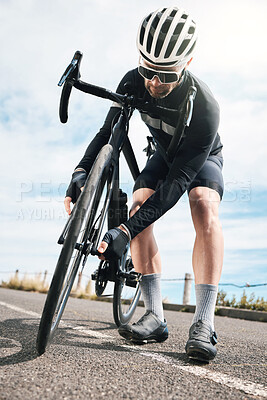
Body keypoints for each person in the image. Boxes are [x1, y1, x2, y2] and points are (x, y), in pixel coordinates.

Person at [65, 6, 224, 362]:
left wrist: (124, 230)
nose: (153, 82)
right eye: (147, 69)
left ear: (187, 62)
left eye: (166, 74)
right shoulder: (133, 80)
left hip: (198, 161)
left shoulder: (206, 108)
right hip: (162, 155)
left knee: (202, 204)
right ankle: (155, 316)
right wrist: (80, 171)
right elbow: (108, 132)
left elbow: (179, 181)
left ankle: (203, 322)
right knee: (137, 210)